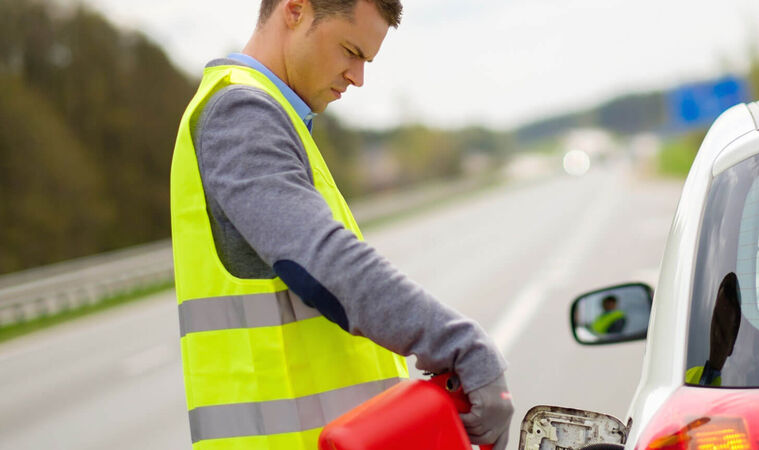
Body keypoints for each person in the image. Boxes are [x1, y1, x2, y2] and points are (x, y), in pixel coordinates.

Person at [169, 1, 513, 449]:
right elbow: (320, 258)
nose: (358, 77)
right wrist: (458, 341)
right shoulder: (242, 115)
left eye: (366, 60)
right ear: (295, 11)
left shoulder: (274, 116)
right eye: (350, 51)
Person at [685, 272, 742, 386]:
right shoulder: (688, 376)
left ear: (733, 342)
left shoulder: (734, 385)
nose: (716, 333)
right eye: (715, 321)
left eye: (722, 330)